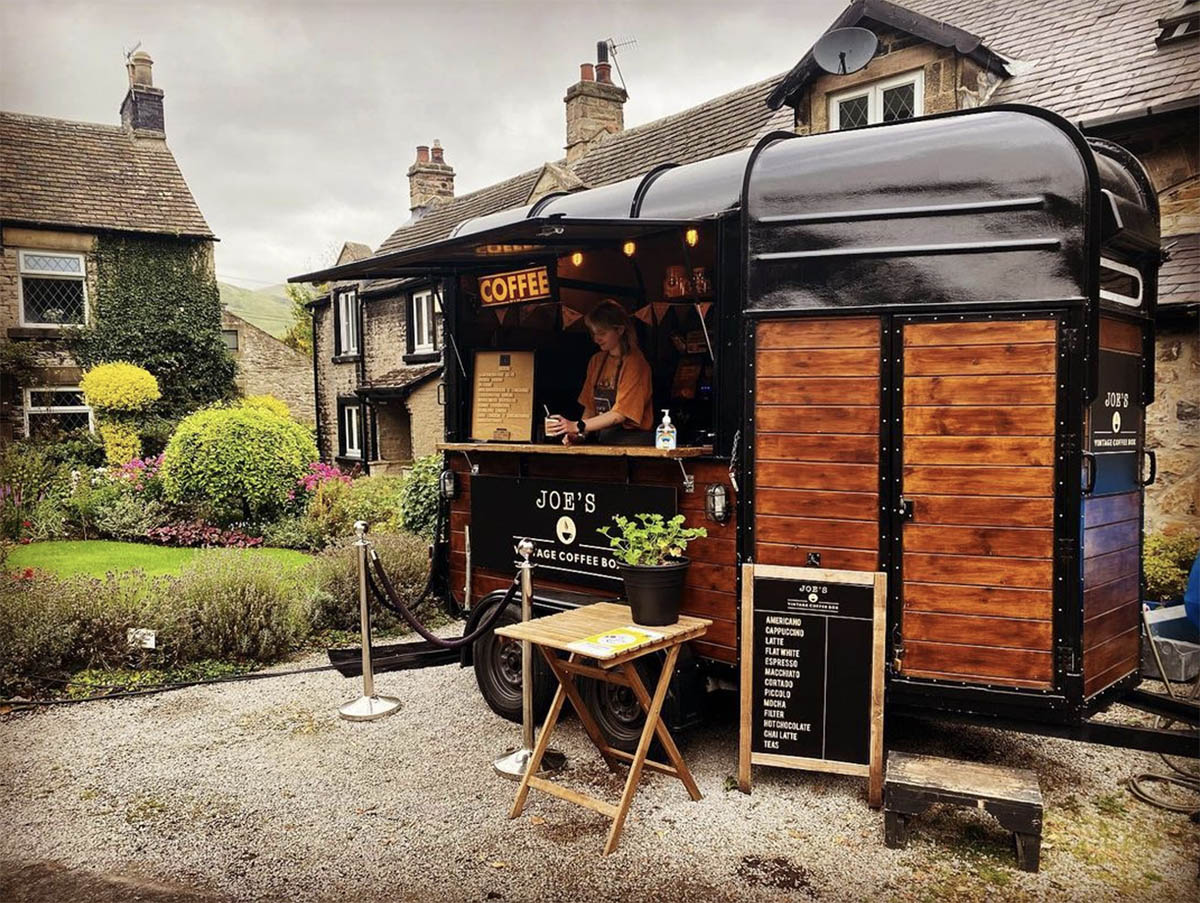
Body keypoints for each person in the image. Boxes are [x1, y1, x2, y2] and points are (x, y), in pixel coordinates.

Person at [547, 299, 654, 446]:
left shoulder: (635, 363)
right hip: (605, 438)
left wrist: (577, 425)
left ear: (620, 330)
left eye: (602, 333)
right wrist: (579, 435)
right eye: (593, 333)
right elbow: (590, 407)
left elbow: (620, 414)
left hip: (634, 441)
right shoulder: (596, 360)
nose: (596, 339)